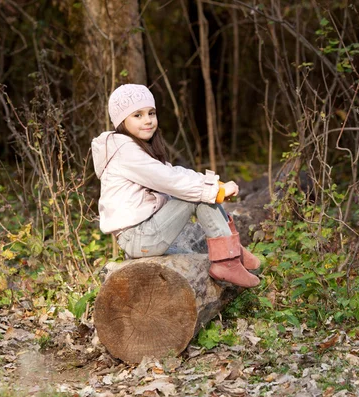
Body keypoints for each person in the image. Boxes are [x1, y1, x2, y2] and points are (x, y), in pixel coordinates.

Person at [91, 84, 260, 288]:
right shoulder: (124, 152)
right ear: (122, 121)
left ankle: (233, 252)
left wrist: (216, 185)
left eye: (151, 113)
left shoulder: (135, 147)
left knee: (203, 192)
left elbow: (174, 172)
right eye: (137, 115)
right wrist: (214, 191)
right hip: (139, 239)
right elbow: (170, 180)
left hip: (147, 232)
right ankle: (227, 261)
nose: (147, 120)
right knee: (198, 195)